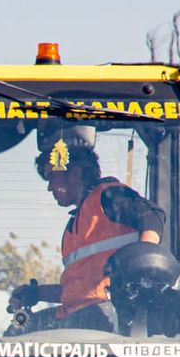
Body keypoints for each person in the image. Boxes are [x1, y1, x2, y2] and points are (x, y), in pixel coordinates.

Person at [9, 125, 168, 329]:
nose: (49, 187)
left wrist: (143, 269)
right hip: (81, 316)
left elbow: (153, 216)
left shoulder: (110, 197)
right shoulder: (74, 226)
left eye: (52, 178)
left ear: (75, 173)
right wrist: (37, 293)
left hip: (110, 317)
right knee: (19, 330)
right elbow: (79, 291)